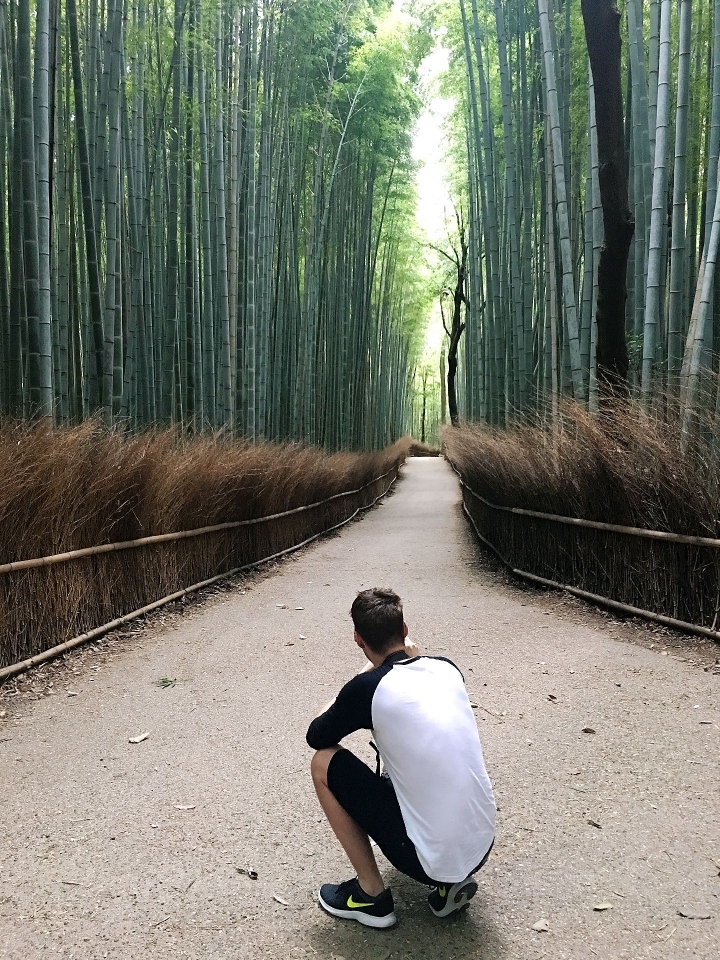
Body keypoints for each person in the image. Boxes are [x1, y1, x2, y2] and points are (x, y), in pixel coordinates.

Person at [306, 587, 496, 929]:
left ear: (358, 639)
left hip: (424, 860)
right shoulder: (447, 669)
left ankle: (371, 896)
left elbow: (317, 735)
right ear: (405, 629)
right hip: (481, 845)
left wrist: (355, 683)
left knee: (323, 763)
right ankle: (450, 881)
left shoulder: (368, 688)